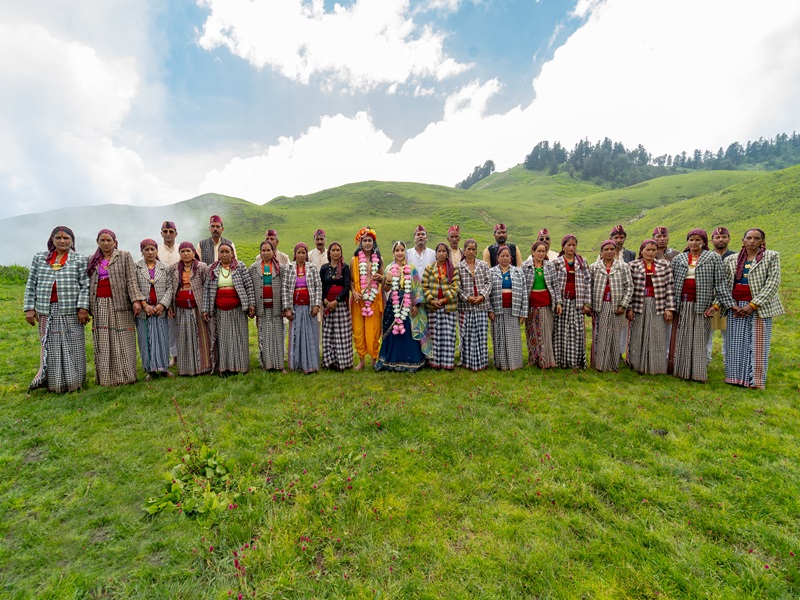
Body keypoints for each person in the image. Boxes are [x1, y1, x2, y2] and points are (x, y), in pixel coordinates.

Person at [23, 226, 90, 393]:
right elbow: (31, 283)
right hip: (47, 310)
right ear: (52, 241)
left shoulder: (79, 260)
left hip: (70, 310)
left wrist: (83, 308)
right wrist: (29, 308)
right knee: (50, 346)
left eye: (66, 238)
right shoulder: (40, 258)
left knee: (73, 346)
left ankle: (74, 382)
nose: (62, 241)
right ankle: (53, 383)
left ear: (72, 241)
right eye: (58, 238)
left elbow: (85, 286)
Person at [669, 229, 735, 383]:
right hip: (683, 303)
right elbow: (670, 284)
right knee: (682, 337)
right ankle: (681, 370)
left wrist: (717, 305)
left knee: (700, 338)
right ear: (687, 241)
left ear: (704, 242)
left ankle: (698, 372)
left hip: (703, 304)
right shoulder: (679, 259)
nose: (694, 243)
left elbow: (720, 284)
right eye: (691, 239)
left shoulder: (712, 258)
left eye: (698, 240)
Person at [723, 228, 783, 389]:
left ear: (762, 241)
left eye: (756, 238)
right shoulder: (732, 259)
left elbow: (772, 283)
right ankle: (734, 377)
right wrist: (730, 304)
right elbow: (726, 283)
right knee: (735, 342)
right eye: (749, 238)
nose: (752, 241)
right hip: (736, 306)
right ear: (743, 240)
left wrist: (753, 305)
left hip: (758, 306)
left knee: (758, 343)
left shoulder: (771, 257)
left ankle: (755, 380)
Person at [87, 229, 144, 386]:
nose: (106, 243)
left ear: (114, 242)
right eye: (102, 240)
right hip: (100, 304)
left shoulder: (124, 256)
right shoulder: (92, 260)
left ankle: (127, 375)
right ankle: (106, 378)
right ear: (98, 242)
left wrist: (136, 300)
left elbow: (131, 279)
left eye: (109, 240)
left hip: (121, 303)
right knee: (104, 340)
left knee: (124, 339)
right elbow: (87, 284)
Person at [374, 241, 430, 372]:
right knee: (393, 333)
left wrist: (416, 305)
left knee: (408, 334)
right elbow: (386, 289)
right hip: (393, 306)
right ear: (393, 253)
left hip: (408, 304)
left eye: (402, 250)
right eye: (397, 250)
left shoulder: (411, 268)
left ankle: (412, 361)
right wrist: (387, 280)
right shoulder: (389, 268)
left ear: (405, 252)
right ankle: (391, 361)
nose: (400, 253)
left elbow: (417, 288)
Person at [202, 243, 255, 375]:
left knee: (239, 337)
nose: (224, 255)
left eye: (227, 252)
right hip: (220, 310)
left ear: (232, 253)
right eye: (222, 252)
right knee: (224, 339)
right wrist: (205, 309)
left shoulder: (240, 266)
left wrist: (251, 304)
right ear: (218, 254)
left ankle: (240, 367)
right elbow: (207, 290)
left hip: (238, 309)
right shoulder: (212, 269)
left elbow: (248, 286)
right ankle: (225, 368)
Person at [626, 239, 675, 375]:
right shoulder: (632, 266)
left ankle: (656, 366)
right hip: (638, 304)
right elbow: (629, 289)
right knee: (638, 334)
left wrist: (669, 308)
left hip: (658, 303)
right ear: (642, 251)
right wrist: (629, 308)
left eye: (654, 250)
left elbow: (670, 287)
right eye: (648, 249)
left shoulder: (664, 265)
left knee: (657, 333)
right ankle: (637, 364)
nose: (651, 252)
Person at [589, 239, 633, 372]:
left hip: (616, 307)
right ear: (601, 252)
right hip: (600, 306)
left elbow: (629, 287)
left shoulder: (623, 267)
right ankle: (599, 364)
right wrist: (590, 305)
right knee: (600, 334)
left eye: (612, 249)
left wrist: (623, 305)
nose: (609, 252)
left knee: (614, 334)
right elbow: (589, 287)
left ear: (615, 251)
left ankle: (613, 364)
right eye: (606, 249)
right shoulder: (594, 267)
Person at [169, 242, 213, 376]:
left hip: (198, 308)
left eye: (188, 251)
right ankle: (186, 368)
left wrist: (206, 307)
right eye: (182, 251)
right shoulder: (174, 268)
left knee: (201, 336)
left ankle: (203, 367)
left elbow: (207, 287)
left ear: (194, 253)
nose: (185, 254)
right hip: (181, 308)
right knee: (184, 336)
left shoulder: (201, 267)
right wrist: (171, 306)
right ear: (179, 254)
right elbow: (171, 288)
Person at [134, 239, 174, 380]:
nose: (150, 252)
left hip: (159, 309)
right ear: (142, 251)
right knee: (146, 339)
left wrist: (162, 305)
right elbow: (134, 288)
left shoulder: (165, 268)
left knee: (162, 338)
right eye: (146, 249)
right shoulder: (136, 267)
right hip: (144, 311)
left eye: (152, 249)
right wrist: (144, 305)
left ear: (157, 251)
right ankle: (150, 370)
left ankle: (163, 367)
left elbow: (170, 288)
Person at [552, 234, 591, 369]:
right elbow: (553, 283)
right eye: (568, 245)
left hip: (577, 302)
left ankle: (575, 361)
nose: (571, 247)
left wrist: (587, 302)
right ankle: (560, 361)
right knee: (560, 331)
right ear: (563, 246)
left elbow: (588, 282)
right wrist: (557, 301)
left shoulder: (582, 262)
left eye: (574, 245)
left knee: (576, 331)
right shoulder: (556, 263)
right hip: (562, 302)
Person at [282, 243, 322, 374]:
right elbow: (285, 288)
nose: (301, 255)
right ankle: (296, 364)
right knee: (297, 335)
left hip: (309, 308)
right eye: (298, 253)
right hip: (295, 308)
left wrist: (317, 305)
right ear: (295, 254)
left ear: (306, 254)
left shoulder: (312, 268)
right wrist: (287, 308)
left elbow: (318, 287)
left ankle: (310, 364)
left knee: (310, 335)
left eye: (303, 253)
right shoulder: (289, 268)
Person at [521, 241, 561, 369]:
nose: (541, 254)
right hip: (531, 305)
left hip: (546, 305)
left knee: (545, 333)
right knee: (532, 332)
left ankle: (546, 360)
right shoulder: (525, 266)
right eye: (539, 251)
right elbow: (522, 288)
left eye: (543, 251)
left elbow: (555, 285)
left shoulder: (549, 266)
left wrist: (558, 302)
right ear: (533, 252)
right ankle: (534, 359)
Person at [488, 246, 528, 370]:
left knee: (513, 338)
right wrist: (490, 310)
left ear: (511, 258)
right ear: (498, 258)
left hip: (513, 310)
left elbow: (524, 293)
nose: (505, 258)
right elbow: (487, 293)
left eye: (507, 256)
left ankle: (514, 364)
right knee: (499, 337)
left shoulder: (518, 272)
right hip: (498, 310)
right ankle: (501, 364)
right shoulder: (491, 272)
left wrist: (523, 312)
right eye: (502, 256)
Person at [350, 227, 385, 370]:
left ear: (374, 242)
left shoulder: (380, 259)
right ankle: (362, 360)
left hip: (374, 299)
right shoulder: (355, 260)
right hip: (359, 300)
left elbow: (383, 279)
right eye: (365, 240)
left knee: (374, 331)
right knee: (359, 331)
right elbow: (351, 281)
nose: (367, 243)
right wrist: (354, 292)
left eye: (370, 240)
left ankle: (375, 359)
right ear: (360, 242)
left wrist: (380, 277)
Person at [422, 242, 461, 370]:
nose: (441, 253)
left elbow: (456, 288)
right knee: (433, 335)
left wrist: (444, 300)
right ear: (436, 253)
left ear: (447, 253)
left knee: (447, 335)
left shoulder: (452, 269)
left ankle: (447, 363)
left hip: (447, 307)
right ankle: (434, 362)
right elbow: (424, 287)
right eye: (439, 251)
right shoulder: (429, 269)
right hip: (433, 307)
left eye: (444, 251)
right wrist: (432, 300)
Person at [249, 240, 285, 372]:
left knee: (278, 336)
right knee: (264, 336)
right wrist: (251, 305)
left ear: (273, 251)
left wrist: (285, 307)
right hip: (261, 307)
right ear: (260, 252)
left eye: (268, 250)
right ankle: (267, 365)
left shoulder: (281, 267)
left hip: (276, 307)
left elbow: (284, 289)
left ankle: (280, 365)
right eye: (263, 250)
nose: (265, 253)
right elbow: (251, 289)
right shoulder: (253, 268)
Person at [457, 238, 492, 371]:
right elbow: (457, 287)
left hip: (481, 305)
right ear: (464, 251)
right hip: (466, 307)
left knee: (481, 334)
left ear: (476, 251)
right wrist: (467, 298)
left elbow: (489, 282)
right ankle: (466, 361)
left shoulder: (483, 265)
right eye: (468, 249)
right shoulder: (459, 267)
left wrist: (482, 295)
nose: (471, 251)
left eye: (473, 249)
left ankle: (482, 361)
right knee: (466, 334)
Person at [320, 241, 353, 371]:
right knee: (329, 333)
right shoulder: (324, 268)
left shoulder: (344, 268)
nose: (335, 252)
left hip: (340, 306)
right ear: (329, 253)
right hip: (327, 306)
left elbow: (346, 286)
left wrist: (336, 301)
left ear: (341, 252)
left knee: (342, 334)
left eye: (338, 250)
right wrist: (326, 301)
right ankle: (329, 362)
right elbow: (320, 286)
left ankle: (342, 362)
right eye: (333, 250)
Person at [707, 226, 735, 362]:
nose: (721, 239)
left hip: (729, 300)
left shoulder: (736, 257)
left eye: (724, 237)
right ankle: (705, 359)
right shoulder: (705, 257)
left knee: (729, 332)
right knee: (707, 332)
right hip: (709, 300)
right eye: (717, 237)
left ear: (729, 239)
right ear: (711, 241)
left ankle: (728, 360)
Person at [158, 220, 181, 367]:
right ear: (161, 233)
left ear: (176, 234)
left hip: (179, 293)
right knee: (166, 326)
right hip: (161, 292)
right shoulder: (157, 249)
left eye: (171, 232)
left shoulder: (181, 249)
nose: (168, 234)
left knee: (178, 326)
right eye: (165, 231)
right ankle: (168, 357)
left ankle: (180, 355)